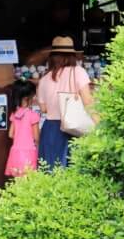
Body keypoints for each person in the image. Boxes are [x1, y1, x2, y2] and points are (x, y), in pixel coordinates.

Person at [36, 36, 94, 169]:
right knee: (74, 172)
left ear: (52, 57)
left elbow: (44, 109)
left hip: (51, 129)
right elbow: (88, 101)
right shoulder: (78, 72)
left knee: (50, 172)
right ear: (72, 56)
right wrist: (98, 123)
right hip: (74, 127)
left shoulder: (44, 79)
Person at [5, 81, 41, 177]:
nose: (35, 98)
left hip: (15, 152)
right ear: (27, 98)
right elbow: (36, 137)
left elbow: (10, 134)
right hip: (29, 152)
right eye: (34, 96)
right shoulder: (33, 115)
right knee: (28, 182)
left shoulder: (14, 114)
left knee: (18, 182)